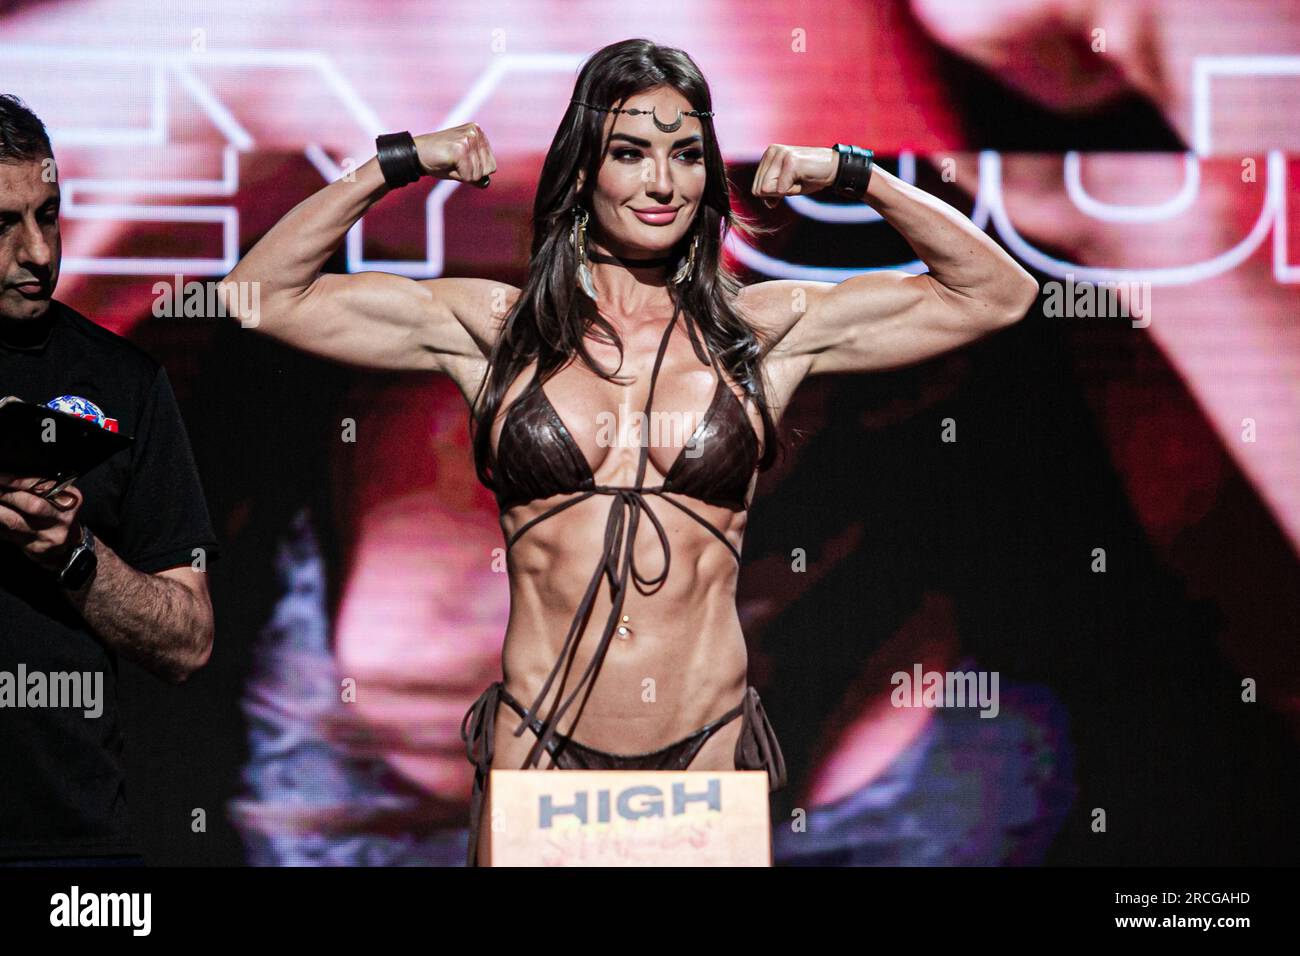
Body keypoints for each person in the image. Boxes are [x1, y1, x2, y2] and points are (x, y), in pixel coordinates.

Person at [219, 38, 1038, 866]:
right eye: (630, 152)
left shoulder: (762, 334)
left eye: (686, 154)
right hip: (541, 761)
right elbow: (257, 296)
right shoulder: (499, 333)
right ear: (582, 170)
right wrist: (396, 163)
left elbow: (998, 293)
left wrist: (855, 177)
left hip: (702, 767)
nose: (662, 182)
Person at [0, 94, 220, 864]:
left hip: (72, 845)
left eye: (49, 215)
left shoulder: (124, 385)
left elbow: (190, 641)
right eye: (3, 224)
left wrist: (73, 555)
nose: (36, 251)